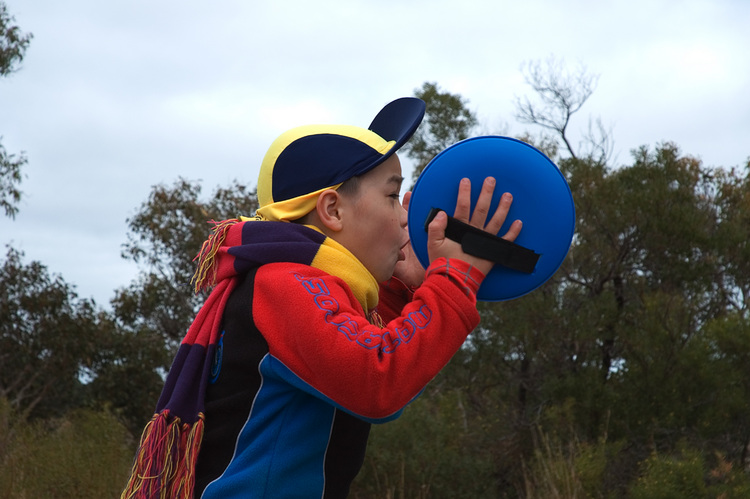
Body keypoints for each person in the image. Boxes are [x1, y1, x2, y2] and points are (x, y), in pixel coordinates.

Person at [121, 97, 522, 499]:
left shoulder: (307, 288)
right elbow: (378, 378)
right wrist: (457, 278)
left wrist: (405, 288)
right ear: (332, 209)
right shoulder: (284, 285)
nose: (404, 217)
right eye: (390, 195)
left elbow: (364, 361)